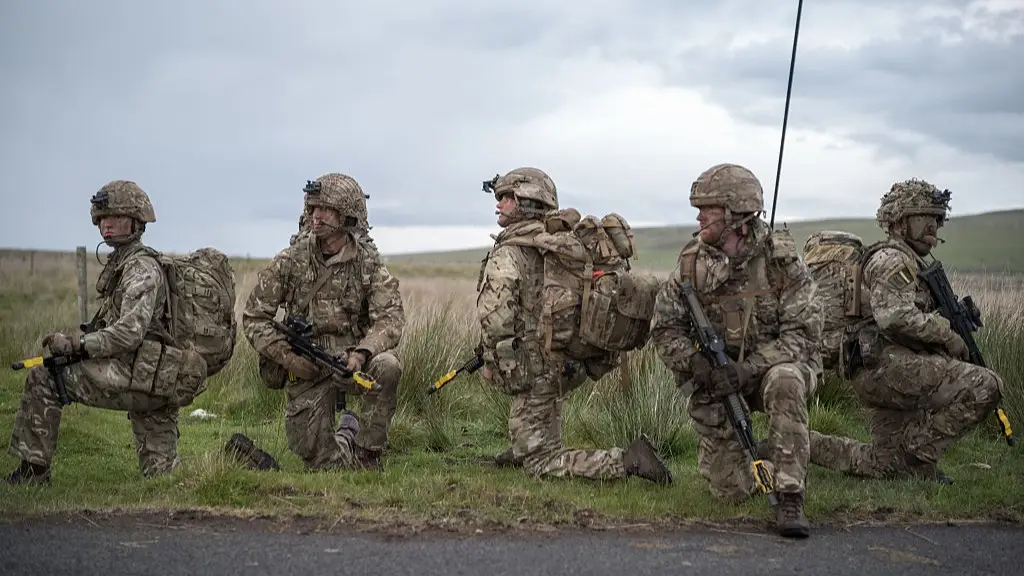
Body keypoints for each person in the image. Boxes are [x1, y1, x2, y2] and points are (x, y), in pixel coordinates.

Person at [649, 163, 822, 538]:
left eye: (707, 209)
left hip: (772, 372)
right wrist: (695, 363)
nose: (698, 217)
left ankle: (790, 493)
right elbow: (663, 328)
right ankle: (795, 446)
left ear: (735, 215)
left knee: (786, 380)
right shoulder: (691, 263)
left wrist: (749, 369)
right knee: (730, 492)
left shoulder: (781, 263)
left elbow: (804, 335)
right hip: (717, 380)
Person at [476, 166, 672, 484]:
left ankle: (627, 461)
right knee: (535, 413)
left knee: (541, 463)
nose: (499, 204)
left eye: (506, 197)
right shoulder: (562, 243)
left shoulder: (511, 252)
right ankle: (527, 441)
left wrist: (496, 364)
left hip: (538, 365)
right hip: (573, 358)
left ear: (526, 201)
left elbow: (495, 317)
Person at [6, 180, 206, 484]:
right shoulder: (127, 263)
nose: (107, 224)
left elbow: (129, 332)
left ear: (137, 222)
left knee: (45, 378)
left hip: (137, 374)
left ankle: (32, 475)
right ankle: (223, 472)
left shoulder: (140, 268)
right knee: (163, 481)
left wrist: (79, 344)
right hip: (157, 376)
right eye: (103, 218)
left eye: (116, 218)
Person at [808, 179, 1003, 484]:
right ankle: (916, 455)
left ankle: (795, 444)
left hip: (881, 367)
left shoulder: (908, 261)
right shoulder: (893, 260)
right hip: (887, 368)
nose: (933, 227)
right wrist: (946, 334)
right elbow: (894, 316)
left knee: (884, 465)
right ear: (900, 222)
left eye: (937, 220)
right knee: (985, 386)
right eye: (925, 218)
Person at [241, 173, 405, 471]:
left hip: (352, 362)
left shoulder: (368, 262)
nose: (316, 216)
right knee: (321, 465)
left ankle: (368, 451)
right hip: (307, 365)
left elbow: (390, 319)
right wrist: (289, 359)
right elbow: (254, 318)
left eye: (326, 209)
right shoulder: (291, 260)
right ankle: (347, 433)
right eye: (313, 208)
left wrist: (362, 353)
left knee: (388, 367)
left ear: (347, 216)